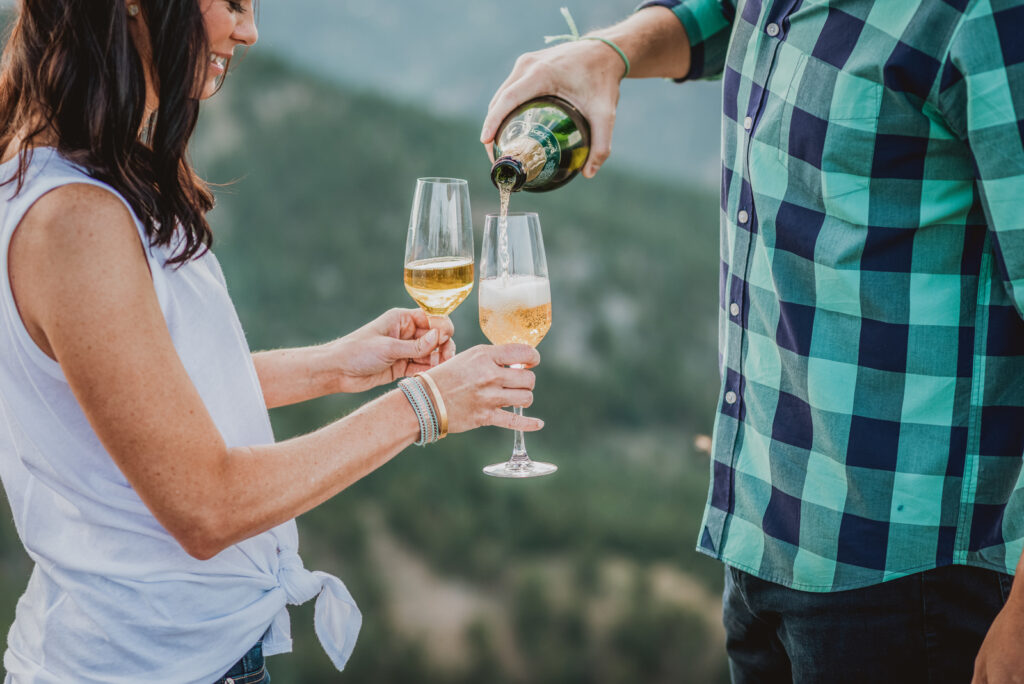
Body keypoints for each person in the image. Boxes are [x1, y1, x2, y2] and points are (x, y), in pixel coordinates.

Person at [0, 1, 544, 683]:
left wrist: (335, 367)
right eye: (230, 2)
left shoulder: (75, 178)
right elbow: (206, 505)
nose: (248, 30)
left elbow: (142, 398)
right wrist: (425, 405)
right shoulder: (75, 222)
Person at [482, 1, 1024, 682]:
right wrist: (611, 51)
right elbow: (733, 16)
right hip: (765, 533)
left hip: (911, 578)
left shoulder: (982, 16)